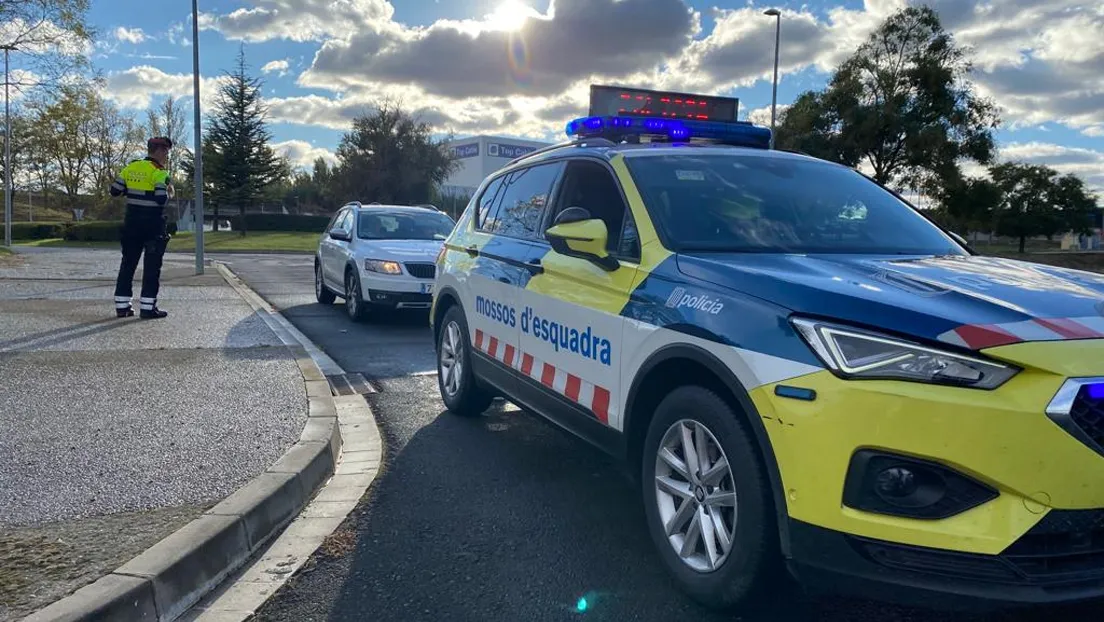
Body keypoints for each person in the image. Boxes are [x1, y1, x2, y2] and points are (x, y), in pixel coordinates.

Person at [111, 137, 175, 319]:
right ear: (160, 151)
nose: (166, 157)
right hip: (152, 225)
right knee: (152, 268)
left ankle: (122, 307)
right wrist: (169, 190)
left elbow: (115, 190)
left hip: (131, 223)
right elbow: (161, 198)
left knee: (128, 264)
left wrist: (131, 191)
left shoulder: (130, 167)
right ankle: (148, 308)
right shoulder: (160, 173)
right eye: (166, 153)